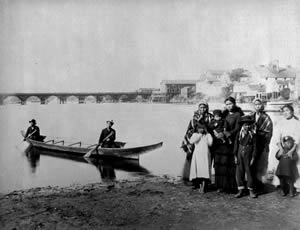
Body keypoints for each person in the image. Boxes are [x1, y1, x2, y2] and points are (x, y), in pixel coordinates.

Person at [213, 96, 243, 193]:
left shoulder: (238, 115)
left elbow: (237, 128)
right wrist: (218, 133)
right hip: (220, 142)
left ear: (234, 104)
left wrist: (229, 133)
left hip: (231, 142)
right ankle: (220, 185)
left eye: (230, 104)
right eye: (227, 104)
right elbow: (218, 123)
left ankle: (230, 186)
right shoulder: (224, 114)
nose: (229, 106)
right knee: (219, 163)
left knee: (228, 164)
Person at [268, 104, 300, 192]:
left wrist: (292, 150)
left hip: (294, 147)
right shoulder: (280, 122)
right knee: (280, 162)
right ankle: (282, 183)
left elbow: (298, 138)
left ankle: (295, 184)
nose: (285, 112)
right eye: (284, 111)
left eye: (287, 110)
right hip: (283, 147)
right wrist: (281, 149)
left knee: (296, 162)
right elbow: (277, 136)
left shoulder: (297, 123)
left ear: (292, 111)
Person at [181, 101, 213, 181]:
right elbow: (190, 129)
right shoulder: (194, 117)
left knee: (205, 160)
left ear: (207, 108)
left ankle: (205, 179)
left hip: (205, 139)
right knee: (192, 158)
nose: (202, 109)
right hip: (196, 139)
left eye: (204, 107)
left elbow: (211, 128)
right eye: (201, 107)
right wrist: (188, 141)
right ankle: (192, 178)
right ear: (198, 108)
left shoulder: (210, 117)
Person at [249, 98, 273, 192]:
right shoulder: (251, 116)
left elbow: (269, 132)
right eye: (255, 105)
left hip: (262, 144)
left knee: (261, 164)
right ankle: (252, 184)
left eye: (259, 104)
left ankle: (260, 185)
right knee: (252, 163)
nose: (257, 106)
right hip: (252, 145)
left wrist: (258, 134)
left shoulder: (266, 117)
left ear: (262, 106)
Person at [234, 116, 257, 198]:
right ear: (242, 126)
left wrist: (253, 157)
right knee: (239, 172)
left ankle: (251, 190)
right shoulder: (239, 134)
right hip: (240, 153)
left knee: (249, 172)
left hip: (248, 154)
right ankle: (240, 190)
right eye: (244, 125)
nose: (246, 126)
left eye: (247, 125)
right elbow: (236, 146)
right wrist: (235, 156)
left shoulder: (252, 135)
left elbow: (255, 147)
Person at [188, 123, 213, 193]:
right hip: (197, 155)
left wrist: (207, 134)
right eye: (199, 128)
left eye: (202, 128)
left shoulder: (208, 135)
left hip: (205, 155)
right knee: (198, 170)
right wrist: (199, 135)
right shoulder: (195, 135)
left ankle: (204, 186)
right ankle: (199, 185)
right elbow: (191, 141)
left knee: (205, 171)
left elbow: (210, 143)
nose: (201, 130)